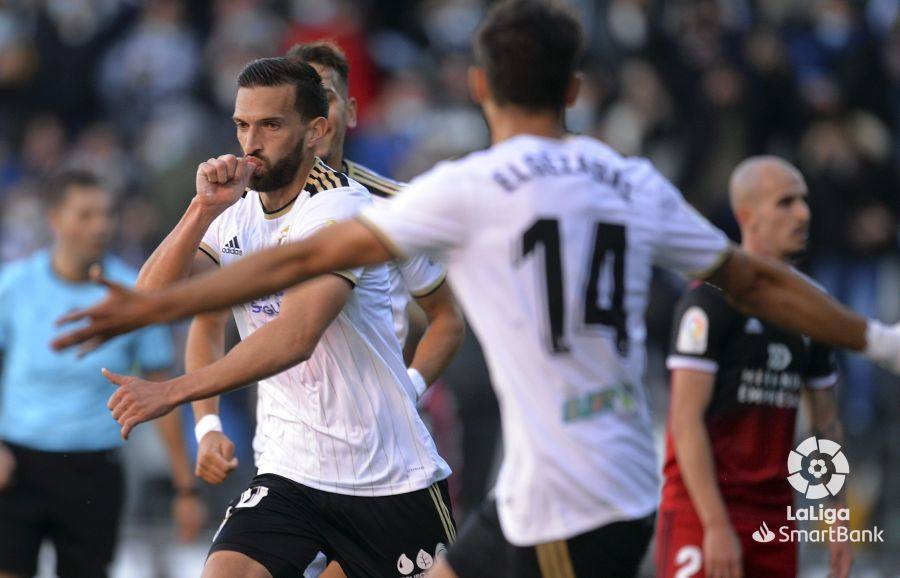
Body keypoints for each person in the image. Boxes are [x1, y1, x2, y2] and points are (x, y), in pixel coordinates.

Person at [51, 2, 900, 577]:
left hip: (530, 494)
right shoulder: (627, 178)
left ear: (479, 87)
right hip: (613, 486)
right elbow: (755, 278)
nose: (254, 137)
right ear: (575, 90)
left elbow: (301, 285)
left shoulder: (463, 189)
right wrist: (880, 340)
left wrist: (152, 324)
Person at [122, 56, 455, 578]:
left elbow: (295, 336)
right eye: (242, 125)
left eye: (271, 125)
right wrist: (200, 209)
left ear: (316, 131)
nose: (251, 143)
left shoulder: (341, 209)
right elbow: (147, 302)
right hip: (289, 469)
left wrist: (172, 391)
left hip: (388, 477)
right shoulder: (233, 210)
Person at [655, 156, 853, 578]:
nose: (803, 213)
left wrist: (836, 518)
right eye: (786, 203)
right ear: (748, 217)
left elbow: (825, 424)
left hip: (773, 519)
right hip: (703, 510)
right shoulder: (710, 301)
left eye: (804, 201)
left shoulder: (812, 309)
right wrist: (715, 524)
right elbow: (684, 421)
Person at [0, 170, 204, 578]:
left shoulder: (136, 294)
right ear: (56, 220)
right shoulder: (14, 286)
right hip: (16, 465)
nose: (101, 225)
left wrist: (186, 489)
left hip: (94, 469)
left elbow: (162, 393)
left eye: (107, 214)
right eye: (86, 214)